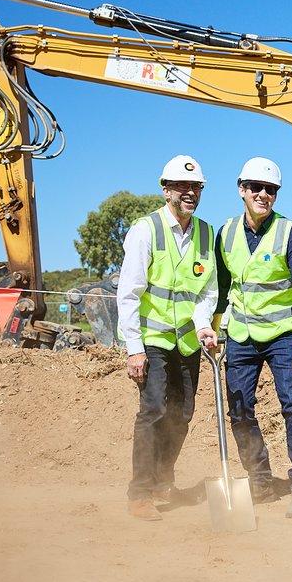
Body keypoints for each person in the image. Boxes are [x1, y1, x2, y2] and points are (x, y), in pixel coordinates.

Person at [216, 157, 292, 519]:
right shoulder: (225, 233)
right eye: (257, 188)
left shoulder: (291, 232)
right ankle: (259, 479)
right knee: (239, 408)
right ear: (242, 189)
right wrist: (213, 330)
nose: (264, 194)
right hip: (241, 335)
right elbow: (220, 290)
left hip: (284, 335)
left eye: (271, 190)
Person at [117, 155, 218, 521]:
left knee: (183, 413)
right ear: (166, 190)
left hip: (188, 340)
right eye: (182, 187)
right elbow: (128, 294)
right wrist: (134, 349)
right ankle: (140, 491)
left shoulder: (206, 234)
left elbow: (208, 291)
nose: (190, 192)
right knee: (155, 408)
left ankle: (163, 479)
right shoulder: (146, 230)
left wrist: (204, 323)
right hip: (153, 338)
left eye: (196, 187)